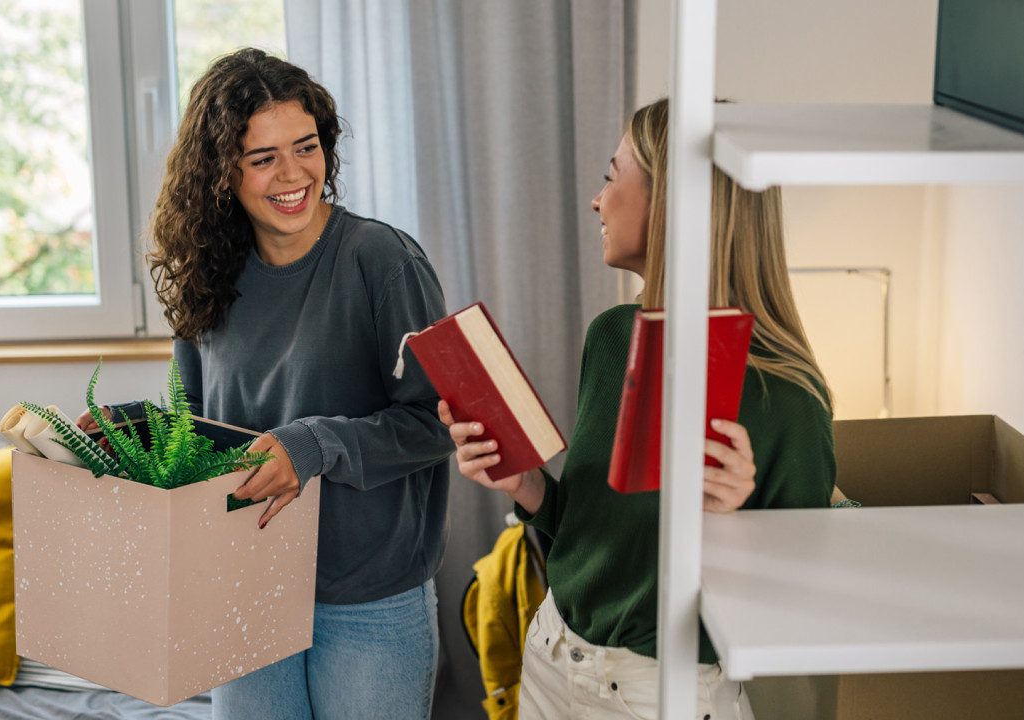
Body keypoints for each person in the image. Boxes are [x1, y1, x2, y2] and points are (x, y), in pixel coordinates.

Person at [79, 48, 452, 719]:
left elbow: (438, 420)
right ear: (223, 172)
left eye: (305, 147)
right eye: (262, 158)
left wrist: (311, 445)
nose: (293, 174)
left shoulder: (381, 260)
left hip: (368, 594)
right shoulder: (209, 276)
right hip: (242, 578)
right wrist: (128, 426)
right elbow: (197, 428)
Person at [440, 98, 837, 720]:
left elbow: (797, 606)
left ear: (675, 201)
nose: (597, 201)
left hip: (660, 694)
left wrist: (734, 525)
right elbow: (584, 527)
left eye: (611, 175)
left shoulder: (786, 400)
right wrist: (525, 484)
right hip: (549, 654)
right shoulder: (612, 337)